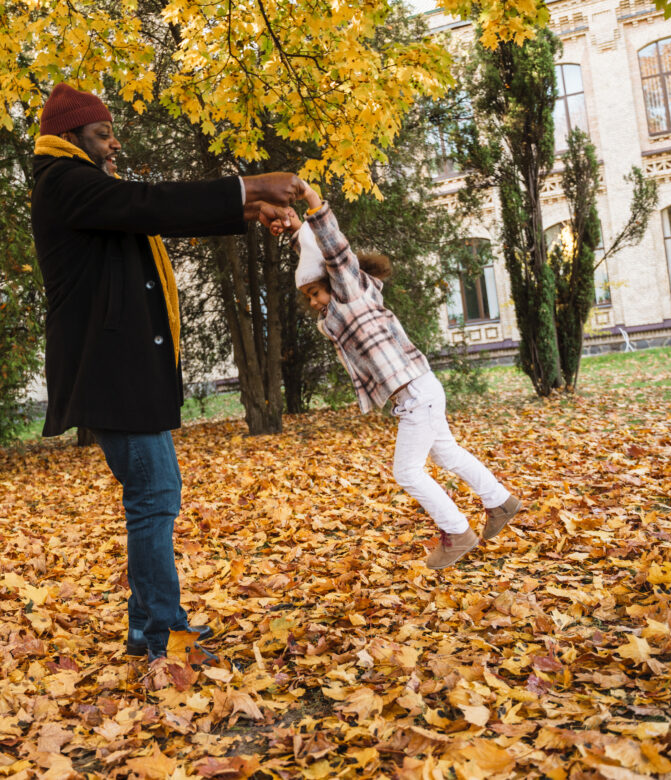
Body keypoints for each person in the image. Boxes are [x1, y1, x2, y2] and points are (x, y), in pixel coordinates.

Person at [31, 83, 302, 660]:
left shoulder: (87, 192)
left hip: (121, 377)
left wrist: (250, 209)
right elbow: (146, 205)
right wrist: (247, 186)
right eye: (103, 134)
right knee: (154, 496)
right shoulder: (62, 182)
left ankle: (147, 629)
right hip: (111, 378)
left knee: (153, 495)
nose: (113, 144)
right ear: (71, 136)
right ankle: (160, 634)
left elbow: (148, 215)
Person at [289, 182, 521, 569]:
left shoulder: (350, 291)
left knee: (408, 471)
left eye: (316, 292)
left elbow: (333, 250)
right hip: (419, 388)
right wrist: (298, 231)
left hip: (415, 392)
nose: (314, 302)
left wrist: (312, 202)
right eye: (309, 297)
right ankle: (500, 501)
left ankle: (458, 532)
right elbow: (315, 257)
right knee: (446, 453)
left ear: (334, 281)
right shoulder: (339, 312)